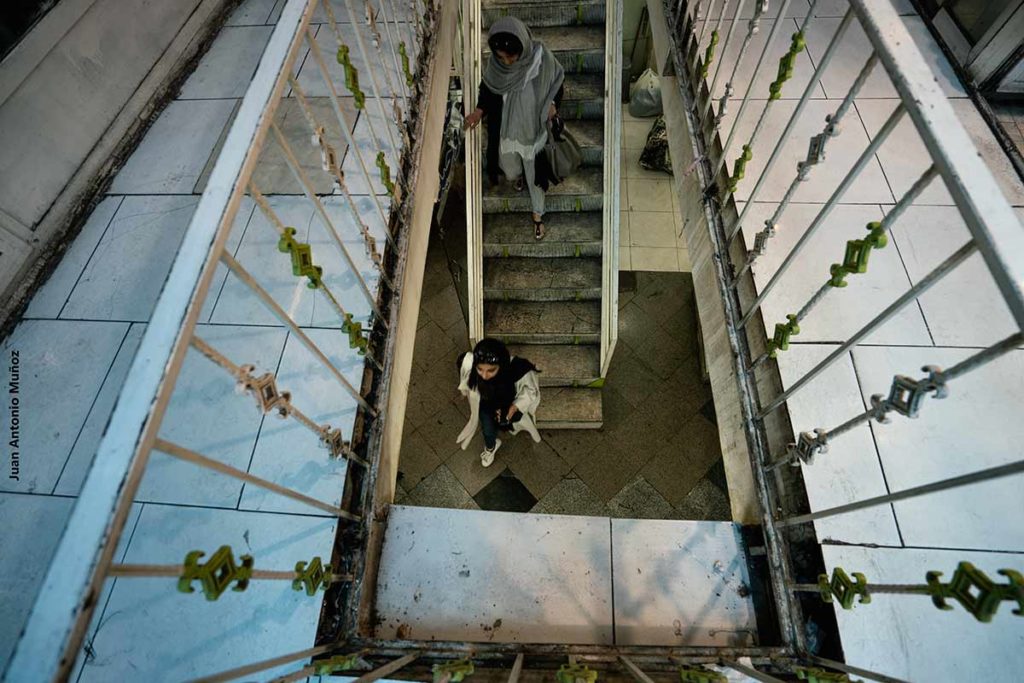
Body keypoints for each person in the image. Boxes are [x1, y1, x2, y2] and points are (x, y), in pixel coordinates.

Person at [464, 16, 565, 241]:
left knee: (536, 179)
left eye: (511, 56)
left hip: (534, 133)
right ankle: (518, 176)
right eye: (502, 56)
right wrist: (479, 112)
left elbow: (557, 82)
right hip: (507, 133)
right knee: (509, 169)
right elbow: (488, 90)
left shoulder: (541, 59)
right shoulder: (496, 66)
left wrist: (553, 104)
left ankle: (538, 216)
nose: (508, 62)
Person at [455, 338, 541, 467]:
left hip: (507, 404)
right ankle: (491, 448)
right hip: (486, 405)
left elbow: (531, 391)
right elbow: (465, 372)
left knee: (506, 423)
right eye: (480, 369)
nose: (484, 376)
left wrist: (515, 406)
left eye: (491, 370)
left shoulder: (517, 369)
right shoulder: (471, 364)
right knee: (488, 430)